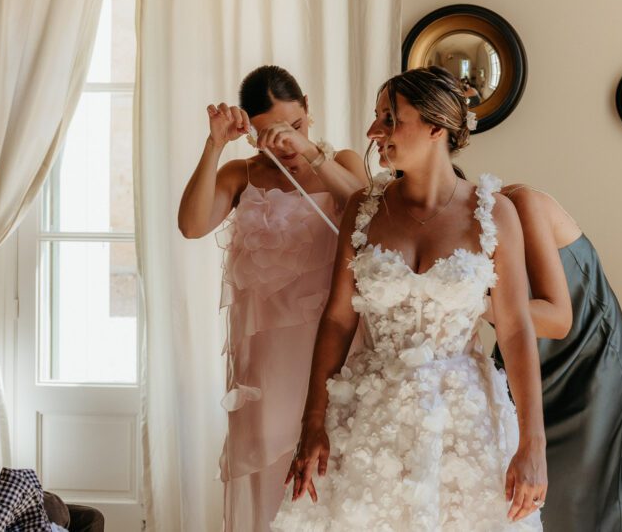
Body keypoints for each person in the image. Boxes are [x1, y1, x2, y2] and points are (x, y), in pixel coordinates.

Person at [271, 66, 547, 531]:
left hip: (465, 424)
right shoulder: (363, 208)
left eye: (390, 119)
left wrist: (533, 444)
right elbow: (337, 320)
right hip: (370, 418)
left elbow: (516, 329)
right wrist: (312, 421)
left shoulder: (494, 213)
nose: (373, 132)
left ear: (436, 127)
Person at [176, 65, 367, 532]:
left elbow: (371, 211)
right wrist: (214, 145)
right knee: (270, 465)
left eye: (294, 127)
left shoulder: (344, 161)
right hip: (267, 359)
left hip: (336, 344)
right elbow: (192, 225)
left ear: (308, 111)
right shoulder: (241, 174)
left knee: (338, 465)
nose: (284, 144)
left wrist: (313, 155)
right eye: (268, 135)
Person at [486, 184, 622, 532]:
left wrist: (471, 302)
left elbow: (556, 319)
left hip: (589, 357)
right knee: (511, 493)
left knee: (582, 493)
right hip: (525, 360)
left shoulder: (521, 203)